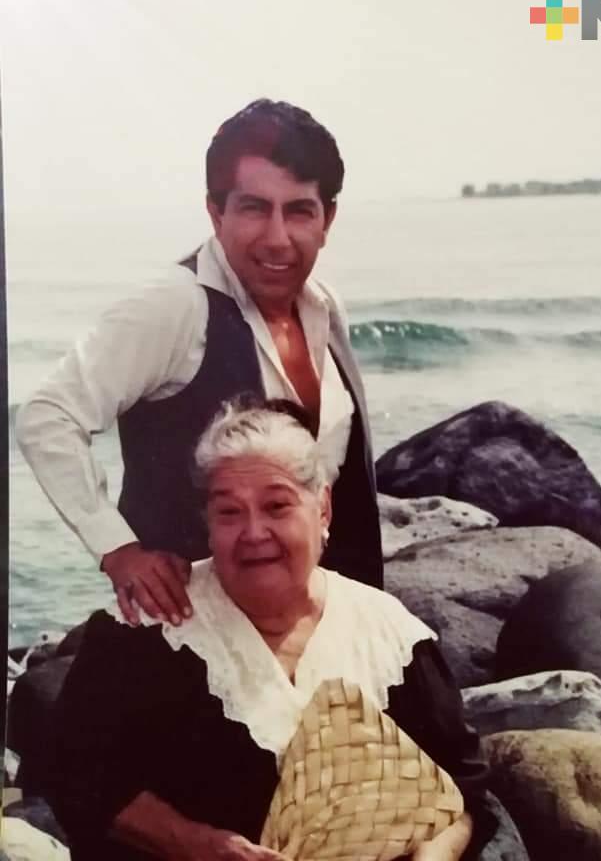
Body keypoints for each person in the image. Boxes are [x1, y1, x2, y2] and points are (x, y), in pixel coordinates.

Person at [48, 400, 495, 861]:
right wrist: (197, 845)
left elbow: (465, 790)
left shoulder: (390, 635)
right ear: (207, 522)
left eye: (277, 506)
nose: (254, 532)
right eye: (229, 512)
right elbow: (74, 774)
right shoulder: (150, 628)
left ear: (322, 509)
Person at [15, 99, 382, 627]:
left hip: (314, 623)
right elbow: (48, 416)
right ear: (216, 212)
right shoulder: (178, 305)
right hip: (197, 634)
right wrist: (118, 550)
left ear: (327, 219)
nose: (278, 237)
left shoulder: (324, 306)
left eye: (299, 210)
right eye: (254, 208)